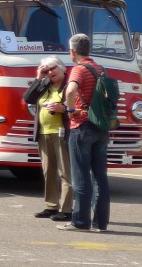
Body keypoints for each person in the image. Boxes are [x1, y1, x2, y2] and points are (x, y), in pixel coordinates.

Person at [58, 33, 110, 233]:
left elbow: (70, 91)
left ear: (72, 51)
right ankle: (101, 223)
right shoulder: (101, 69)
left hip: (82, 126)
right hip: (101, 128)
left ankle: (80, 221)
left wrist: (70, 111)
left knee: (80, 176)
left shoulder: (79, 69)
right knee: (100, 177)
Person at [24, 56, 72, 221]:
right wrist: (39, 77)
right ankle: (51, 206)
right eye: (47, 69)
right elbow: (28, 98)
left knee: (65, 172)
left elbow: (78, 107)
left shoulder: (69, 86)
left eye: (53, 68)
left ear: (62, 68)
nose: (50, 72)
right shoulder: (45, 85)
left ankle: (67, 210)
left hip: (62, 133)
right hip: (44, 133)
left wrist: (62, 109)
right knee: (48, 171)